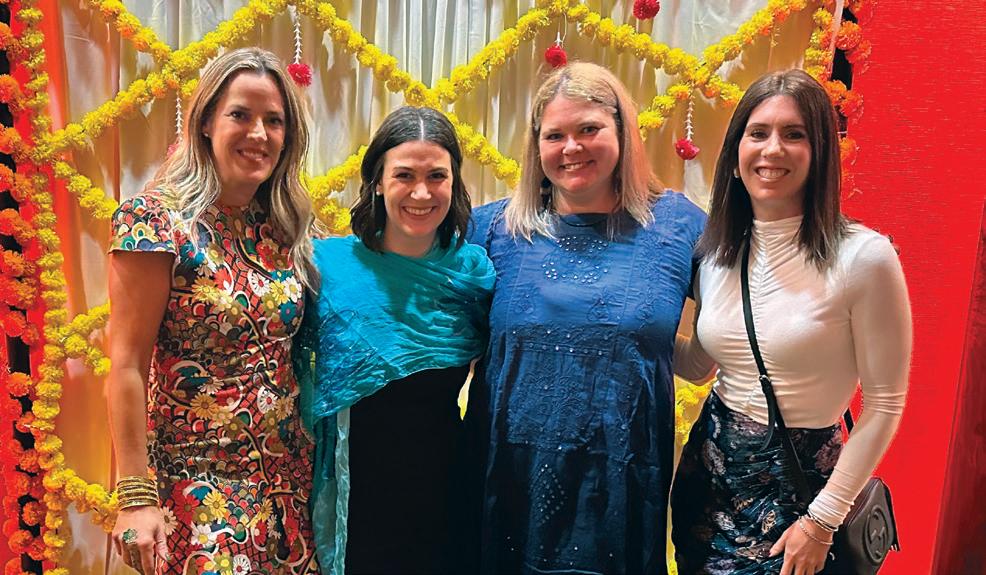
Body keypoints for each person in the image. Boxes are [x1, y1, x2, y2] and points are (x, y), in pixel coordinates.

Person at [465, 62, 707, 574]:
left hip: (620, 492)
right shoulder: (492, 230)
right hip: (506, 486)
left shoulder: (677, 226)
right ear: (536, 146)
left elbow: (724, 334)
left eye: (589, 129)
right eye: (555, 135)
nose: (571, 148)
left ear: (622, 131)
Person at [671, 69, 911, 575]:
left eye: (794, 134)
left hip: (800, 495)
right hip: (707, 482)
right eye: (757, 133)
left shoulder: (864, 257)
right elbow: (698, 365)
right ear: (736, 154)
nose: (772, 149)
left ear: (820, 153)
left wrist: (822, 522)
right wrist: (624, 329)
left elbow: (885, 403)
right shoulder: (716, 253)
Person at [107, 47, 319, 574]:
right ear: (205, 122)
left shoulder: (288, 227)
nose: (259, 134)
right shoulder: (155, 221)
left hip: (289, 487)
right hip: (198, 488)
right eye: (240, 115)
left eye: (274, 121)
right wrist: (135, 496)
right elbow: (126, 364)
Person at [293, 106, 495, 575]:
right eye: (404, 175)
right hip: (353, 493)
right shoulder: (328, 268)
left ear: (454, 183)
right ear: (378, 182)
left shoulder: (473, 276)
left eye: (436, 176)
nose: (421, 193)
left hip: (444, 489)